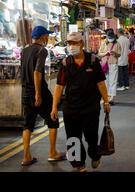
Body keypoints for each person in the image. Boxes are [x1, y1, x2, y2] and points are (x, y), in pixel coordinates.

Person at [51, 32, 111, 172]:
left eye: (74, 43)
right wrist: (54, 107)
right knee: (73, 137)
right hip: (71, 107)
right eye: (69, 43)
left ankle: (95, 155)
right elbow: (59, 86)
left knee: (91, 137)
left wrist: (106, 102)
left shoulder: (93, 61)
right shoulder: (66, 63)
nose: (71, 46)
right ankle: (78, 164)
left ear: (81, 44)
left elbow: (101, 83)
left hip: (90, 107)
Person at [20, 26, 64, 166]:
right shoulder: (42, 50)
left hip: (25, 91)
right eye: (47, 36)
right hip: (39, 92)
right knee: (53, 119)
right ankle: (52, 153)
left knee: (28, 124)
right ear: (42, 37)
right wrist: (38, 94)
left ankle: (26, 156)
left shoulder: (24, 50)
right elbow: (37, 72)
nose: (48, 38)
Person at [99, 30, 121, 105]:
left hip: (113, 63)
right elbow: (99, 54)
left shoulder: (117, 44)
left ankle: (111, 98)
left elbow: (119, 55)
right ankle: (106, 97)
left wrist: (115, 53)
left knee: (113, 80)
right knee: (105, 81)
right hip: (105, 64)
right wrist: (105, 53)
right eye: (109, 37)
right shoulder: (103, 43)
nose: (110, 39)